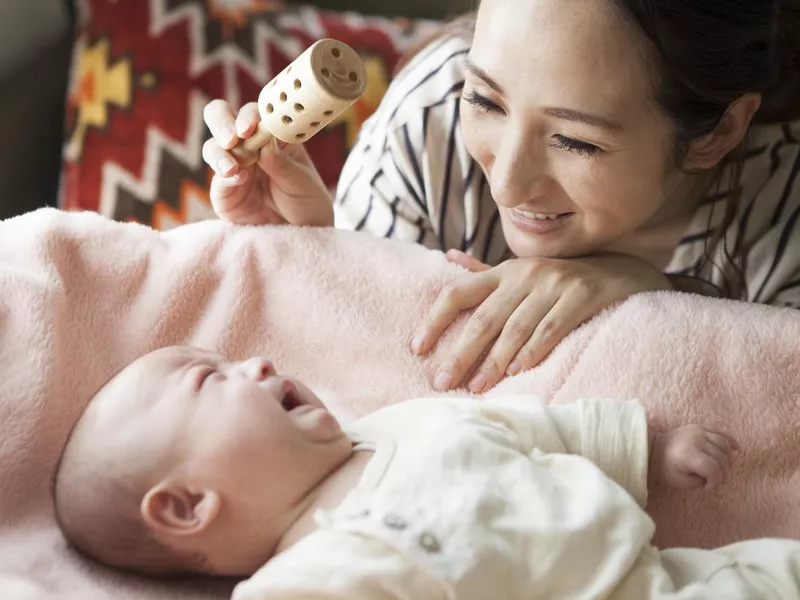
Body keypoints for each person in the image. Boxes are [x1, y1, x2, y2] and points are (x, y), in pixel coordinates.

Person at [201, 0, 800, 396]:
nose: (508, 186)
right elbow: (347, 400)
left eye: (575, 141)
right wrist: (301, 261)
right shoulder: (430, 119)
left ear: (719, 132)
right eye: (485, 101)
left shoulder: (785, 211)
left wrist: (656, 302)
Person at [54, 345, 800, 599]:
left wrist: (655, 452)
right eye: (211, 381)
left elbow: (543, 427)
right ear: (187, 506)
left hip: (662, 579)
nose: (254, 362)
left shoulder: (406, 422)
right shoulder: (307, 579)